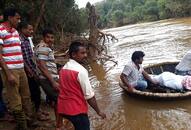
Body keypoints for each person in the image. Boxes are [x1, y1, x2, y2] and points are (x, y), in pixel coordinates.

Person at [56, 41, 106, 130]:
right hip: (77, 110)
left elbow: (63, 90)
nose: (86, 55)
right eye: (82, 53)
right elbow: (89, 96)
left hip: (63, 108)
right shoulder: (81, 71)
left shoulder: (63, 69)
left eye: (86, 52)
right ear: (74, 55)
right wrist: (99, 111)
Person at [0, 8, 35, 130]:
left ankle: (29, 120)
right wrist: (8, 74)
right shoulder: (0, 30)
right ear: (9, 17)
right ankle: (22, 126)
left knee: (26, 96)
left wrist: (26, 68)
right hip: (10, 70)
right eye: (17, 18)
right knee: (15, 100)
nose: (19, 21)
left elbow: (18, 52)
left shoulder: (15, 31)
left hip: (21, 69)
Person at [18, 22, 49, 121]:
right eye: (29, 29)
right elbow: (22, 58)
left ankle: (38, 109)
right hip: (28, 71)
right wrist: (28, 70)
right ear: (23, 29)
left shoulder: (27, 40)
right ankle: (36, 113)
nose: (32, 31)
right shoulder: (20, 41)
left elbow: (30, 56)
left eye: (32, 29)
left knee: (36, 91)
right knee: (34, 92)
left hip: (32, 69)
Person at [35, 29, 59, 122]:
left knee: (54, 100)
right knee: (58, 100)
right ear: (43, 37)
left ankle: (59, 122)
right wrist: (53, 82)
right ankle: (59, 125)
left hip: (48, 78)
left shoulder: (43, 47)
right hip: (47, 79)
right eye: (48, 37)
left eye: (52, 37)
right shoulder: (43, 48)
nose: (50, 39)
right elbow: (42, 66)